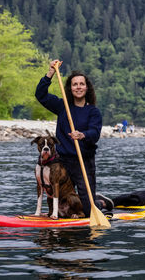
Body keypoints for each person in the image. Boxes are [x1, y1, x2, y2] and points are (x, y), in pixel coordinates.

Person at [35, 59, 112, 217]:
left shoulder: (93, 111)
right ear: (70, 88)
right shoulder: (62, 106)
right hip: (61, 161)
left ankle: (101, 203)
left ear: (86, 87)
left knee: (88, 208)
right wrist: (50, 72)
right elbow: (40, 95)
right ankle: (56, 214)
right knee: (58, 195)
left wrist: (82, 135)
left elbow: (95, 134)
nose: (78, 87)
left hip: (83, 161)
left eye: (81, 84)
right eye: (75, 84)